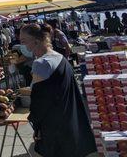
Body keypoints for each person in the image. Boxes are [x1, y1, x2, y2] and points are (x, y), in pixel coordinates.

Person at [20, 23, 96, 157]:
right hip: (70, 124)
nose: (22, 46)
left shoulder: (41, 64)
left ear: (36, 41)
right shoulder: (59, 57)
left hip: (54, 130)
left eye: (24, 42)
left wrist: (37, 127)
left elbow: (40, 102)